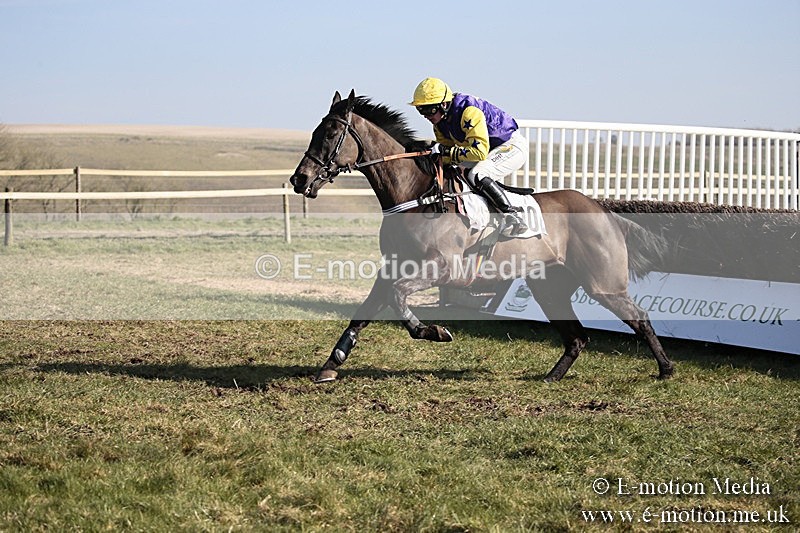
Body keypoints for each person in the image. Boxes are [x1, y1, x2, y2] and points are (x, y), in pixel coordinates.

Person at [410, 77, 529, 237]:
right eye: (421, 110)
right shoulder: (439, 124)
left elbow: (478, 152)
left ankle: (513, 216)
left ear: (443, 104)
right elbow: (447, 156)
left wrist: (446, 152)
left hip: (510, 146)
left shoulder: (468, 112)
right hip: (487, 150)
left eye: (429, 109)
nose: (425, 115)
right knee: (453, 172)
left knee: (478, 174)